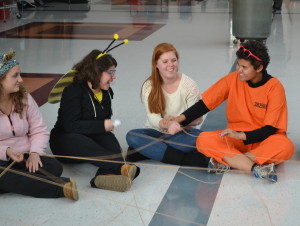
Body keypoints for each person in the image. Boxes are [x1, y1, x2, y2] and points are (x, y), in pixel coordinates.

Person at [169, 40, 294, 182]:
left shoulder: (275, 88)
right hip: (235, 139)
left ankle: (232, 161)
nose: (238, 70)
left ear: (259, 67)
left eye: (244, 67)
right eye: (238, 65)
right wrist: (178, 119)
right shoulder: (233, 79)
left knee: (285, 146)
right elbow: (204, 105)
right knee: (203, 140)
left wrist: (241, 135)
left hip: (264, 140)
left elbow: (270, 129)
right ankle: (254, 166)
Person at [49, 49, 140, 192]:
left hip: (91, 136)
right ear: (96, 72)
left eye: (114, 72)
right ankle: (119, 166)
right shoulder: (73, 90)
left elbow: (102, 125)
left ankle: (102, 178)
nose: (114, 77)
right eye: (110, 72)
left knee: (112, 144)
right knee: (78, 140)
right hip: (65, 141)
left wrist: (106, 126)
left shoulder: (106, 92)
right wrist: (103, 125)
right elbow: (71, 125)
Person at [0, 49, 78, 200]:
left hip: (25, 156)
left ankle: (11, 182)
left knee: (54, 167)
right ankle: (60, 188)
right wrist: (6, 151)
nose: (21, 80)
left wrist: (35, 153)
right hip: (2, 158)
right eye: (15, 75)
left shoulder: (24, 98)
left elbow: (39, 130)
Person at [126, 43, 208, 167]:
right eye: (165, 61)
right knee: (132, 136)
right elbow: (153, 118)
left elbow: (197, 119)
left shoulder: (189, 85)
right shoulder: (149, 86)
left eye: (173, 60)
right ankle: (187, 160)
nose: (170, 65)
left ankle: (146, 151)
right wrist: (166, 124)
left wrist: (176, 123)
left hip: (182, 134)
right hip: (155, 132)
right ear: (156, 64)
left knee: (201, 138)